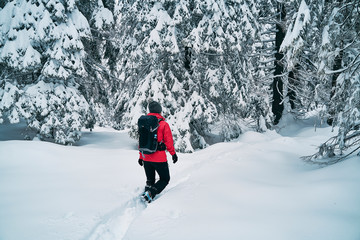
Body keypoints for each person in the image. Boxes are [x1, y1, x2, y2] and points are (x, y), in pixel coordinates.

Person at [138, 100, 178, 202]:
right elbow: (169, 141)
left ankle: (146, 194)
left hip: (146, 157)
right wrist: (173, 154)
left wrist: (141, 157)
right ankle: (151, 193)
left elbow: (142, 140)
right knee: (165, 179)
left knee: (150, 180)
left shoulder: (144, 123)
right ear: (159, 111)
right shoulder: (163, 124)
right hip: (159, 158)